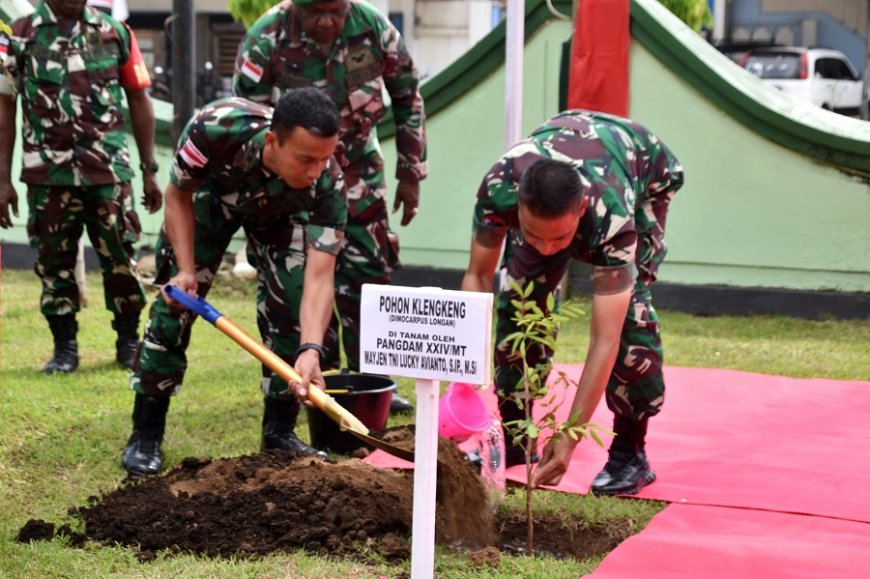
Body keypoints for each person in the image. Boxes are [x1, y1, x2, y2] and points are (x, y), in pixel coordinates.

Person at [121, 88, 347, 477]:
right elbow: (178, 196)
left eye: (324, 159)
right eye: (306, 158)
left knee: (292, 306)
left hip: (281, 214)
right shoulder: (216, 127)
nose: (315, 170)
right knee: (175, 306)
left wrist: (310, 348)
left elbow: (319, 274)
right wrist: (186, 269)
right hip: (210, 200)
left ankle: (279, 432)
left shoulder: (328, 181)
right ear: (273, 140)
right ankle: (146, 432)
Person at [461, 110, 684, 496]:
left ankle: (630, 450)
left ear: (580, 211)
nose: (547, 249)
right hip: (562, 142)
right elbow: (478, 276)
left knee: (632, 317)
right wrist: (464, 371)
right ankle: (517, 438)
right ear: (518, 207)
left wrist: (570, 436)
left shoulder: (610, 216)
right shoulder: (500, 187)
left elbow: (605, 339)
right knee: (520, 304)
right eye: (533, 234)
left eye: (559, 239)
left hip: (645, 169)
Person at [232, 0, 427, 414]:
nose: (326, 21)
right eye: (314, 12)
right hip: (295, 181)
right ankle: (320, 376)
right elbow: (248, 121)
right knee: (303, 276)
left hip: (358, 172)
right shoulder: (266, 38)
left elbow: (408, 95)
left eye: (335, 11)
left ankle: (373, 382)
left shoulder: (374, 27)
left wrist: (411, 170)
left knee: (369, 275)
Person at [0, 0, 162, 374]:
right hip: (47, 175)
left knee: (120, 258)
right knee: (53, 263)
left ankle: (127, 342)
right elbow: (5, 107)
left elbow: (139, 98)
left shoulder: (115, 32)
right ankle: (64, 349)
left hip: (108, 173)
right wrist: (3, 178)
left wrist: (149, 169)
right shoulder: (19, 36)